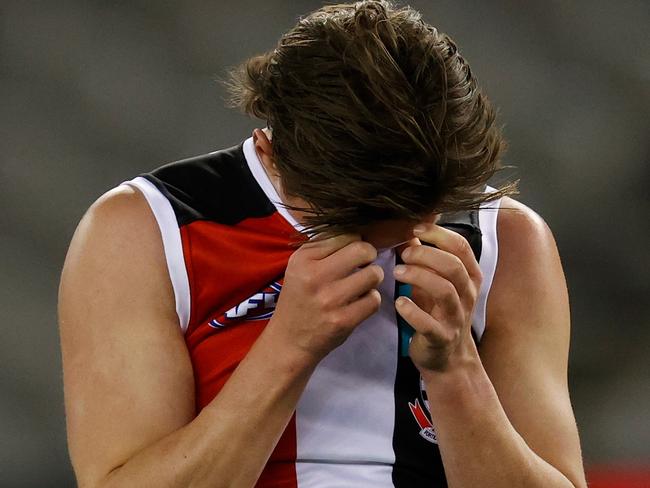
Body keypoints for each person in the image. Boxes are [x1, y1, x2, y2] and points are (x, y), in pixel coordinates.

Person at [58, 1, 588, 487]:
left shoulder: (506, 237)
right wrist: (288, 349)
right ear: (269, 154)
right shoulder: (148, 230)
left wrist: (454, 368)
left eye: (424, 213)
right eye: (360, 225)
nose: (403, 243)